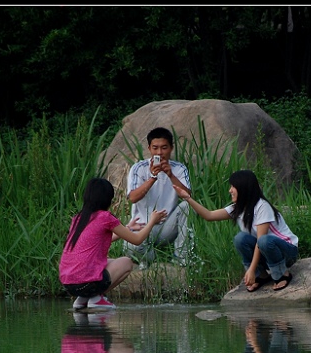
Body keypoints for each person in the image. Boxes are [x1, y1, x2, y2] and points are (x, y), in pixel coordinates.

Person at [173, 169, 298, 291]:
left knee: (264, 240)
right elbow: (209, 216)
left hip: (287, 252)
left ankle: (281, 274)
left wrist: (251, 269)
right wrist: (187, 198)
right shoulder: (238, 208)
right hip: (266, 252)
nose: (230, 190)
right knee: (240, 239)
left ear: (244, 188)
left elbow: (261, 241)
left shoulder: (262, 207)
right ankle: (261, 275)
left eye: (233, 187)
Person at [59, 177, 167, 311]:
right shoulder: (105, 217)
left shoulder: (79, 218)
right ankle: (96, 298)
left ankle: (82, 299)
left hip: (68, 283)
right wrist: (152, 221)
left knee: (105, 262)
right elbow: (137, 240)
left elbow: (96, 241)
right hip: (86, 282)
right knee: (126, 262)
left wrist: (127, 228)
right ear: (107, 200)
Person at [124, 127, 193, 267]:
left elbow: (187, 196)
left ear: (171, 148)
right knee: (130, 246)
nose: (159, 153)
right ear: (149, 148)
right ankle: (151, 260)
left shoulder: (179, 168)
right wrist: (153, 177)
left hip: (166, 227)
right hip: (142, 226)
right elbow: (133, 198)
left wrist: (170, 175)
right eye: (155, 148)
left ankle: (182, 259)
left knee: (188, 207)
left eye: (164, 148)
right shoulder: (139, 168)